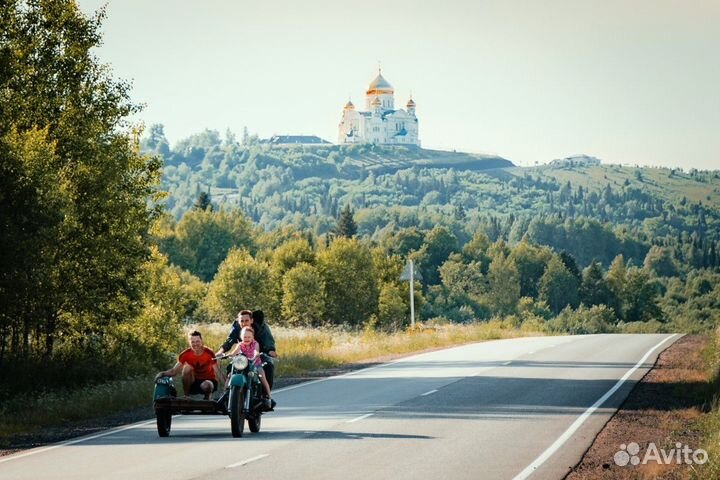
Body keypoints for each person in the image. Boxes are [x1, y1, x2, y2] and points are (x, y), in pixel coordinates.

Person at [216, 309, 277, 388]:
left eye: (246, 320)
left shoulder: (261, 327)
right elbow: (229, 340)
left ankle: (266, 395)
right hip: (242, 355)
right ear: (238, 321)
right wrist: (221, 352)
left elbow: (268, 340)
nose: (244, 323)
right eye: (242, 321)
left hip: (259, 355)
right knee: (231, 367)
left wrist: (271, 350)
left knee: (268, 365)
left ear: (251, 320)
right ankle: (228, 392)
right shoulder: (236, 327)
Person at [157, 330, 222, 400]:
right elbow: (174, 371)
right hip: (194, 382)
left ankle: (207, 398)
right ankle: (186, 396)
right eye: (193, 342)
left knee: (206, 385)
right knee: (187, 368)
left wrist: (227, 388)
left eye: (197, 341)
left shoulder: (209, 353)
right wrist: (162, 373)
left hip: (209, 382)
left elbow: (218, 372)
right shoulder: (185, 354)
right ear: (189, 342)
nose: (195, 344)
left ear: (201, 341)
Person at [228, 326, 273, 409]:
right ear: (241, 337)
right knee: (230, 375)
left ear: (252, 337)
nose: (247, 339)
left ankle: (269, 397)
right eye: (244, 337)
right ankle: (227, 393)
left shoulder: (255, 344)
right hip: (243, 365)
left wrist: (256, 354)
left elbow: (256, 351)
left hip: (255, 364)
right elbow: (234, 352)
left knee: (262, 377)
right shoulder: (240, 345)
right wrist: (229, 355)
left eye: (249, 337)